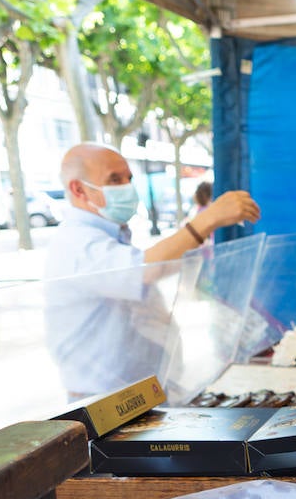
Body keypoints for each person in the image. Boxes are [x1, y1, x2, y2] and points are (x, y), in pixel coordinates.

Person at [43, 143, 261, 399]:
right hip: (104, 401)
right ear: (78, 189)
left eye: (128, 178)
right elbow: (144, 271)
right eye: (114, 179)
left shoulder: (111, 236)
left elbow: (158, 264)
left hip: (146, 393)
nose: (126, 186)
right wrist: (206, 220)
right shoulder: (76, 243)